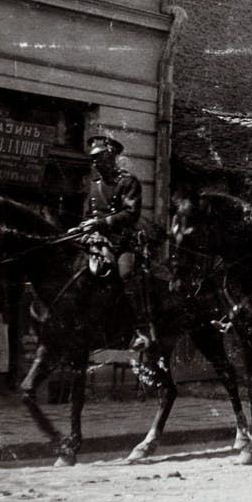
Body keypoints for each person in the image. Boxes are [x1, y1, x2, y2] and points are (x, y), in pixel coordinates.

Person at [75, 135, 152, 349]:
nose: (94, 163)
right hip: (95, 239)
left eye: (98, 158)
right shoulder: (93, 184)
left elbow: (131, 214)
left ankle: (140, 329)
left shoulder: (128, 182)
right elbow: (88, 214)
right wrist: (83, 227)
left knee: (126, 274)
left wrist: (100, 224)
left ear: (110, 157)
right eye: (93, 159)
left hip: (122, 242)